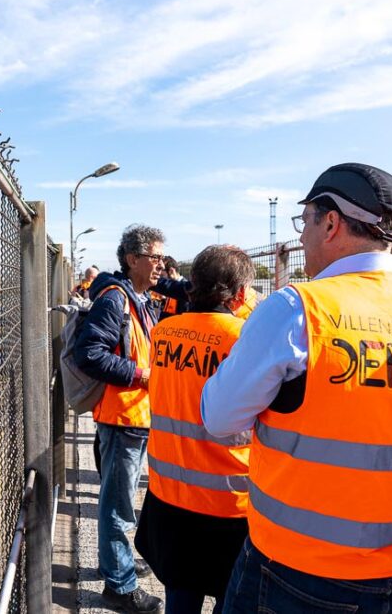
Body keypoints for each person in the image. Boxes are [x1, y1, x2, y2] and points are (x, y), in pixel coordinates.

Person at [201, 163, 392, 613]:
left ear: (330, 223)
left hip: (297, 573)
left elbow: (219, 418)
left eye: (305, 222)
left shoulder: (297, 310)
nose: (301, 238)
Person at [135, 245, 255, 614]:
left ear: (192, 285)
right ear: (238, 295)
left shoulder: (165, 333)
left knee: (180, 595)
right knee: (229, 597)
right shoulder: (245, 339)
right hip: (230, 500)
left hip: (170, 493)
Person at [74, 224, 166, 613]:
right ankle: (119, 585)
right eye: (155, 257)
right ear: (133, 259)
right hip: (123, 415)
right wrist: (141, 374)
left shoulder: (138, 298)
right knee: (119, 505)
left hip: (135, 414)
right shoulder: (116, 300)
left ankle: (116, 564)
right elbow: (89, 353)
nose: (161, 264)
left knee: (122, 501)